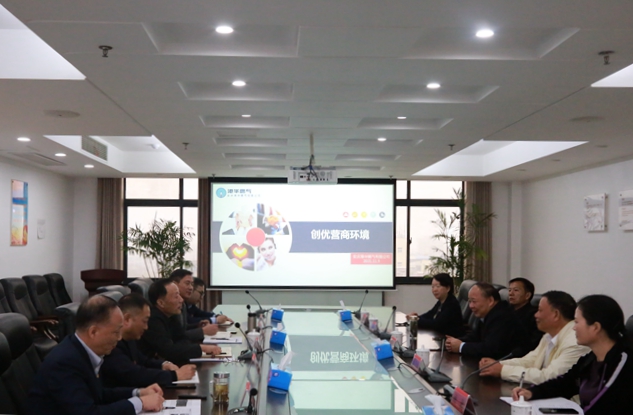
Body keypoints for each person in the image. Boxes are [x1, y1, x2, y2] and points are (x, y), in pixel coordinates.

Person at [27, 295, 164, 415]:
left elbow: (99, 394)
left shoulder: (80, 349)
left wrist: (138, 392)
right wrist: (140, 403)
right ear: (93, 332)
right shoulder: (64, 363)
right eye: (116, 332)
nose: (119, 338)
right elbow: (88, 413)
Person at [513, 295, 633, 414]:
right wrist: (532, 392)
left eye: (577, 322)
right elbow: (565, 383)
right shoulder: (590, 359)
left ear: (595, 327)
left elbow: (604, 404)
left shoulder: (623, 363)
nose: (574, 328)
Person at [479, 291, 590, 384]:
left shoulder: (576, 341)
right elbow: (530, 361)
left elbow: (550, 377)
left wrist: (503, 370)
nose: (536, 315)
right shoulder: (548, 335)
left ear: (556, 314)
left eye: (540, 310)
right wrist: (496, 364)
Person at [101, 294, 196, 388]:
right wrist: (175, 375)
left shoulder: (130, 339)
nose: (146, 327)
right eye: (144, 321)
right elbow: (133, 374)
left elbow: (143, 361)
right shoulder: (112, 344)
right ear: (127, 319)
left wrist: (164, 365)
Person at [138, 279, 221, 366]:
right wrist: (201, 348)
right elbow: (168, 351)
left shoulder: (171, 314)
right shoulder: (152, 320)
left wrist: (186, 348)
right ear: (161, 303)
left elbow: (182, 338)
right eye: (176, 296)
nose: (181, 300)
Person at [445, 282, 528, 359]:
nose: (471, 306)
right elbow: (476, 337)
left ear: (490, 301)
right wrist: (455, 342)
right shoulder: (488, 313)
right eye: (469, 301)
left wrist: (461, 346)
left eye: (474, 301)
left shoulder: (502, 317)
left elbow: (490, 349)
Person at [168, 269, 227, 340]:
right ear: (174, 284)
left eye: (192, 284)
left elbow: (183, 327)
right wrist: (203, 330)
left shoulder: (183, 304)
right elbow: (175, 337)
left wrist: (199, 325)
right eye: (187, 283)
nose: (191, 288)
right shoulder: (169, 304)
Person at [405, 273, 464, 337]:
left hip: (451, 340)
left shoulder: (452, 304)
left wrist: (416, 320)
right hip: (440, 336)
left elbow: (436, 324)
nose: (434, 289)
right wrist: (415, 318)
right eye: (433, 287)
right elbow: (430, 314)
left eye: (438, 286)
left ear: (448, 288)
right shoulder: (442, 301)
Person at [508, 277, 542, 350]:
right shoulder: (505, 311)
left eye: (516, 290)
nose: (510, 293)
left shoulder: (534, 316)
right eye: (509, 290)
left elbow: (532, 344)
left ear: (527, 295)